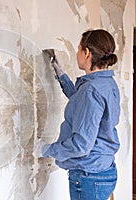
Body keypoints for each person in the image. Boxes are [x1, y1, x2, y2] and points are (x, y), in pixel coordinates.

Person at [37, 29, 120, 200]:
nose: (77, 53)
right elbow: (79, 100)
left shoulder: (91, 90)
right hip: (103, 170)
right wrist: (59, 73)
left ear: (87, 53)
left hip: (88, 177)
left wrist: (46, 149)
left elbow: (81, 145)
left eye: (78, 48)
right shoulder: (107, 83)